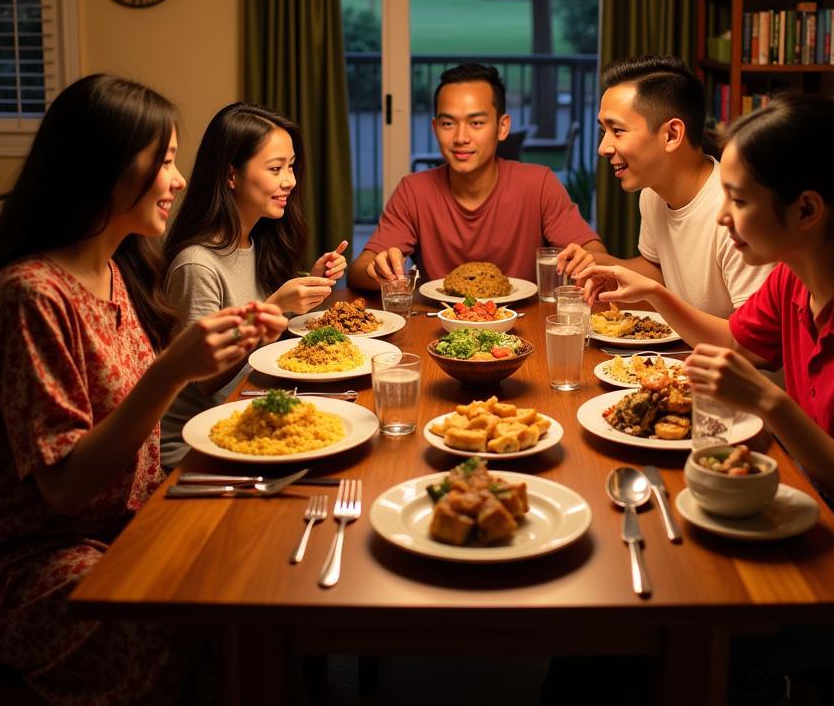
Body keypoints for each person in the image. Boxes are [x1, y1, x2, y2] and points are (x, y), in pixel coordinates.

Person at [580, 94, 834, 703]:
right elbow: (730, 338)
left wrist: (772, 404)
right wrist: (653, 294)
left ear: (806, 210)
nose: (721, 217)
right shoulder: (801, 273)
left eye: (738, 200)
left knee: (729, 637)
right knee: (670, 575)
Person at [0, 75, 288, 705]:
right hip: (32, 565)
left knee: (261, 569)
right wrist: (172, 372)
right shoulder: (30, 295)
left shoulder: (113, 268)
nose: (180, 179)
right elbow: (66, 488)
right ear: (105, 171)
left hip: (129, 524)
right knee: (198, 627)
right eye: (164, 161)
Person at [159, 102, 348, 467]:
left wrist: (310, 281)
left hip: (249, 412)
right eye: (276, 168)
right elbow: (199, 381)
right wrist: (274, 309)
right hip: (196, 446)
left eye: (291, 166)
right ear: (232, 175)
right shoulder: (196, 265)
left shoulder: (256, 241)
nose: (290, 180)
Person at [348, 62, 604, 288]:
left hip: (524, 330)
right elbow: (359, 270)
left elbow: (595, 253)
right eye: (448, 124)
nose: (461, 138)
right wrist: (378, 270)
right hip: (437, 329)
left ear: (502, 127)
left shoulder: (538, 184)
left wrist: (586, 259)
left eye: (476, 123)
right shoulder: (414, 190)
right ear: (435, 128)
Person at [559, 55, 771, 316]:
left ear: (671, 135)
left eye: (618, 131)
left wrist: (657, 296)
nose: (603, 148)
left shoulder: (734, 214)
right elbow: (658, 270)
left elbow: (755, 345)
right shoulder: (652, 193)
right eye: (604, 131)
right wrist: (601, 265)